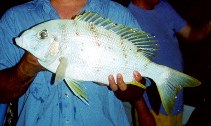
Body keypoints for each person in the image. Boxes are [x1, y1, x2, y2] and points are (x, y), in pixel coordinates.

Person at [0, 0, 156, 125]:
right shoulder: (15, 18)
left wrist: (124, 87)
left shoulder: (116, 13)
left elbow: (138, 89)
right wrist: (25, 69)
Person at [126, 0, 211, 126]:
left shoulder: (163, 7)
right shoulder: (127, 17)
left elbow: (191, 34)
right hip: (153, 109)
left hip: (175, 102)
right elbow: (128, 72)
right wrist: (143, 112)